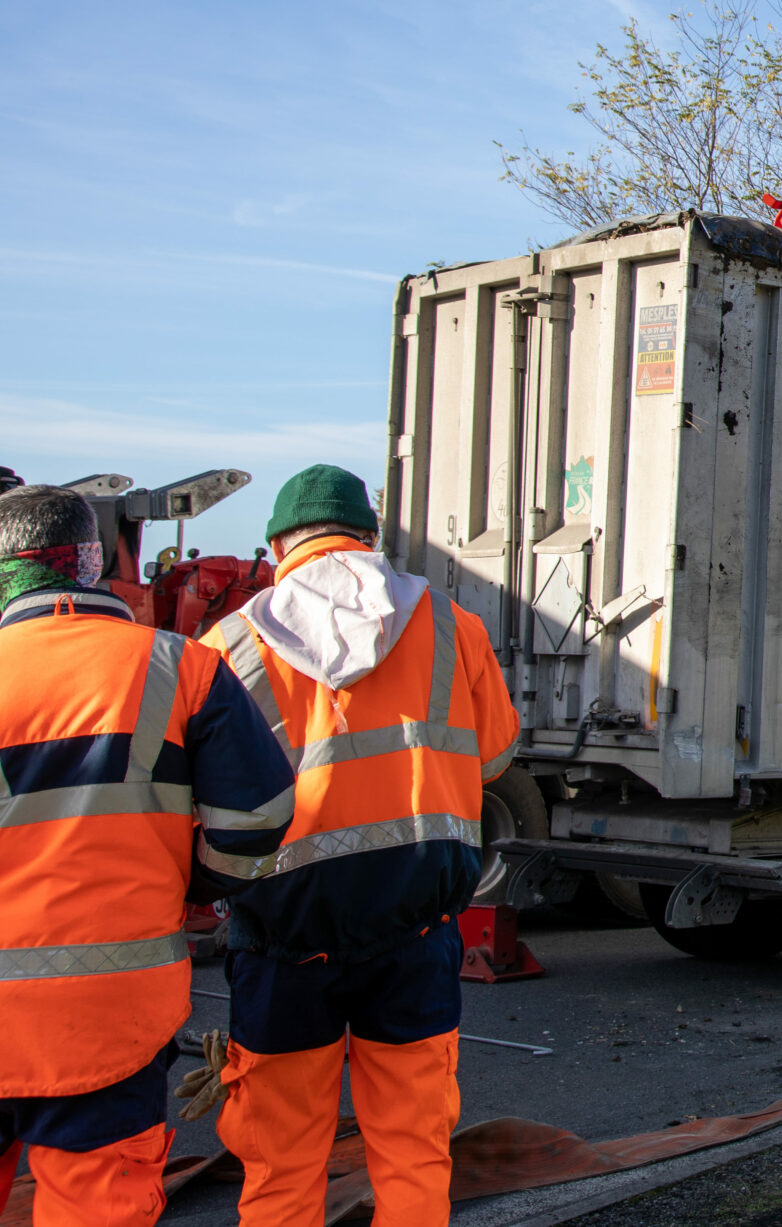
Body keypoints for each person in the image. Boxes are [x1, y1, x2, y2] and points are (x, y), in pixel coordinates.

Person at [202, 466, 519, 1227]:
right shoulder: (452, 624)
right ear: (369, 536)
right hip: (413, 931)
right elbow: (495, 757)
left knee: (280, 1162)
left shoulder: (226, 644)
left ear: (279, 544)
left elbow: (208, 803)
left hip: (283, 940)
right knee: (413, 1152)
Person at [0, 484, 296, 1227]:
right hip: (110, 1018)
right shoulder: (182, 669)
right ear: (93, 561)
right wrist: (189, 885)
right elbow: (260, 816)